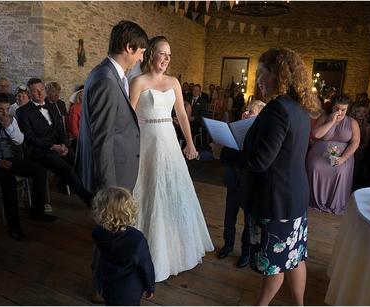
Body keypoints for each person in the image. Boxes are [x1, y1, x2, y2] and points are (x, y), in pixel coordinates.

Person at [211, 48, 321, 305]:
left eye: (262, 74)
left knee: (274, 263)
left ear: (279, 76)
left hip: (276, 200)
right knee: (295, 257)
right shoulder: (299, 108)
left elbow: (260, 161)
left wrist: (223, 153)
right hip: (294, 195)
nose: (258, 80)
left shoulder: (277, 109)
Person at [129, 36, 214, 282]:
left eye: (169, 55)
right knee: (149, 192)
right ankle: (146, 251)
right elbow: (128, 116)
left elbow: (182, 116)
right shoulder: (138, 81)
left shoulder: (174, 82)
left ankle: (175, 249)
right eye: (162, 54)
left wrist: (189, 142)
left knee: (173, 191)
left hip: (168, 141)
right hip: (146, 142)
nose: (166, 59)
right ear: (151, 54)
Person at [76, 20, 148, 303]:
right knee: (109, 231)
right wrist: (109, 191)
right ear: (128, 47)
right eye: (140, 51)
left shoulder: (109, 74)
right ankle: (100, 286)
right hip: (112, 177)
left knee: (111, 232)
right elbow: (102, 139)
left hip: (119, 170)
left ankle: (102, 281)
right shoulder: (106, 79)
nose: (142, 57)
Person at [0, 92, 51, 240]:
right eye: (0, 109)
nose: (5, 113)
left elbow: (19, 141)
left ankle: (37, 212)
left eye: (7, 109)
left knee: (40, 170)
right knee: (9, 180)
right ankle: (14, 226)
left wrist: (9, 128)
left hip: (9, 158)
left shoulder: (11, 120)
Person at [16, 78, 93, 206]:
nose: (40, 94)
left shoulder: (51, 107)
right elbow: (29, 138)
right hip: (39, 151)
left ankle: (87, 190)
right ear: (29, 94)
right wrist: (53, 146)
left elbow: (60, 130)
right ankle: (90, 201)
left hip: (58, 147)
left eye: (41, 90)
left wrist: (65, 145)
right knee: (66, 169)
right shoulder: (23, 112)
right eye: (36, 91)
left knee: (79, 161)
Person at [217, 101, 266, 268]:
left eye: (250, 112)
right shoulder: (235, 128)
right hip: (233, 180)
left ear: (259, 116)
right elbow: (226, 156)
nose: (245, 113)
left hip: (249, 184)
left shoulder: (262, 136)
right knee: (229, 216)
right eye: (246, 110)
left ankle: (246, 252)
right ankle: (228, 245)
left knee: (248, 221)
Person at [92, 187, 155, 305]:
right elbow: (146, 266)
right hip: (129, 291)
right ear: (130, 211)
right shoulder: (137, 239)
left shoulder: (97, 233)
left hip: (107, 284)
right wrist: (150, 286)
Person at [306, 93, 360, 215]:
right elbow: (316, 135)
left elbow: (355, 143)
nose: (340, 112)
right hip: (320, 152)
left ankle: (334, 203)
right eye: (337, 108)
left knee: (340, 170)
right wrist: (331, 121)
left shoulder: (352, 122)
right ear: (332, 107)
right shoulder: (324, 117)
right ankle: (314, 200)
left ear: (348, 109)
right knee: (315, 165)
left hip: (343, 154)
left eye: (343, 110)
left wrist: (343, 158)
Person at [350, 103, 370, 190]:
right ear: (354, 113)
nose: (361, 114)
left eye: (364, 112)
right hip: (347, 147)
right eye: (358, 111)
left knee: (357, 157)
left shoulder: (368, 126)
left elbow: (366, 143)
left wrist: (353, 150)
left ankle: (352, 184)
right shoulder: (349, 123)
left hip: (359, 150)